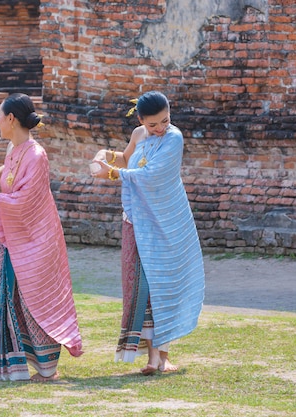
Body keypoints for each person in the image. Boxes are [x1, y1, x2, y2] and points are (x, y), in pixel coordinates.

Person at [0, 93, 83, 381]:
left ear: (11, 119)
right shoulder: (14, 148)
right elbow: (9, 170)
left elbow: (25, 200)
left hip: (36, 240)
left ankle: (46, 369)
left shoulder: (37, 154)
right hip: (8, 236)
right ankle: (10, 364)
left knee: (34, 303)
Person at [91, 91, 205, 375]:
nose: (160, 128)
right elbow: (127, 159)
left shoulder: (173, 138)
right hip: (135, 219)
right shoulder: (139, 134)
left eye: (165, 120)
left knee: (162, 282)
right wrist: (105, 155)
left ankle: (160, 357)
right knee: (140, 284)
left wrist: (115, 174)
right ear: (141, 120)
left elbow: (152, 175)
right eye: (153, 124)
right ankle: (153, 357)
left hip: (166, 221)